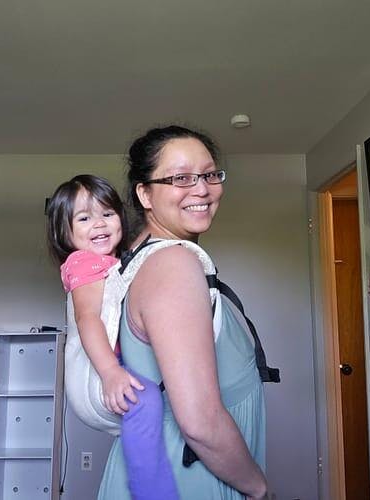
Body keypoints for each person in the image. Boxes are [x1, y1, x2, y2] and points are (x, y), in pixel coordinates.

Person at [98, 126, 268, 500]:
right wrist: (259, 489)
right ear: (145, 193)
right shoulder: (173, 264)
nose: (202, 189)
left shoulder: (142, 255)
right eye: (180, 178)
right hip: (188, 476)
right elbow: (201, 423)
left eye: (209, 174)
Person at [47, 174, 180, 500]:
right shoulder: (83, 262)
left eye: (107, 213)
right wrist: (110, 372)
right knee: (144, 399)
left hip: (120, 361)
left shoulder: (113, 263)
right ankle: (151, 491)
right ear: (65, 231)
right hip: (102, 368)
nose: (99, 223)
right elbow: (88, 318)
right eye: (84, 218)